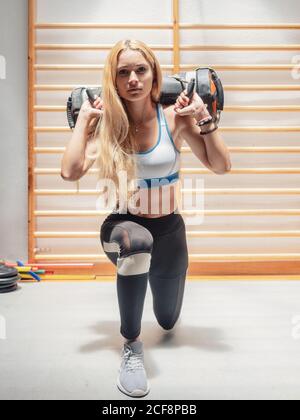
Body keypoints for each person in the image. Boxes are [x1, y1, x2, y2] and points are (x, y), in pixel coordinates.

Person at [61, 39, 231, 398]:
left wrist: (203, 116)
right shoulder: (108, 123)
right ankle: (131, 348)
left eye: (141, 69)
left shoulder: (175, 119)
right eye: (123, 72)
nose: (133, 78)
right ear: (114, 80)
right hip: (124, 224)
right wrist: (85, 124)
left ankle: (151, 276)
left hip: (169, 228)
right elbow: (70, 171)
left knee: (168, 320)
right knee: (137, 247)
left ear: (154, 75)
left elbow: (221, 166)